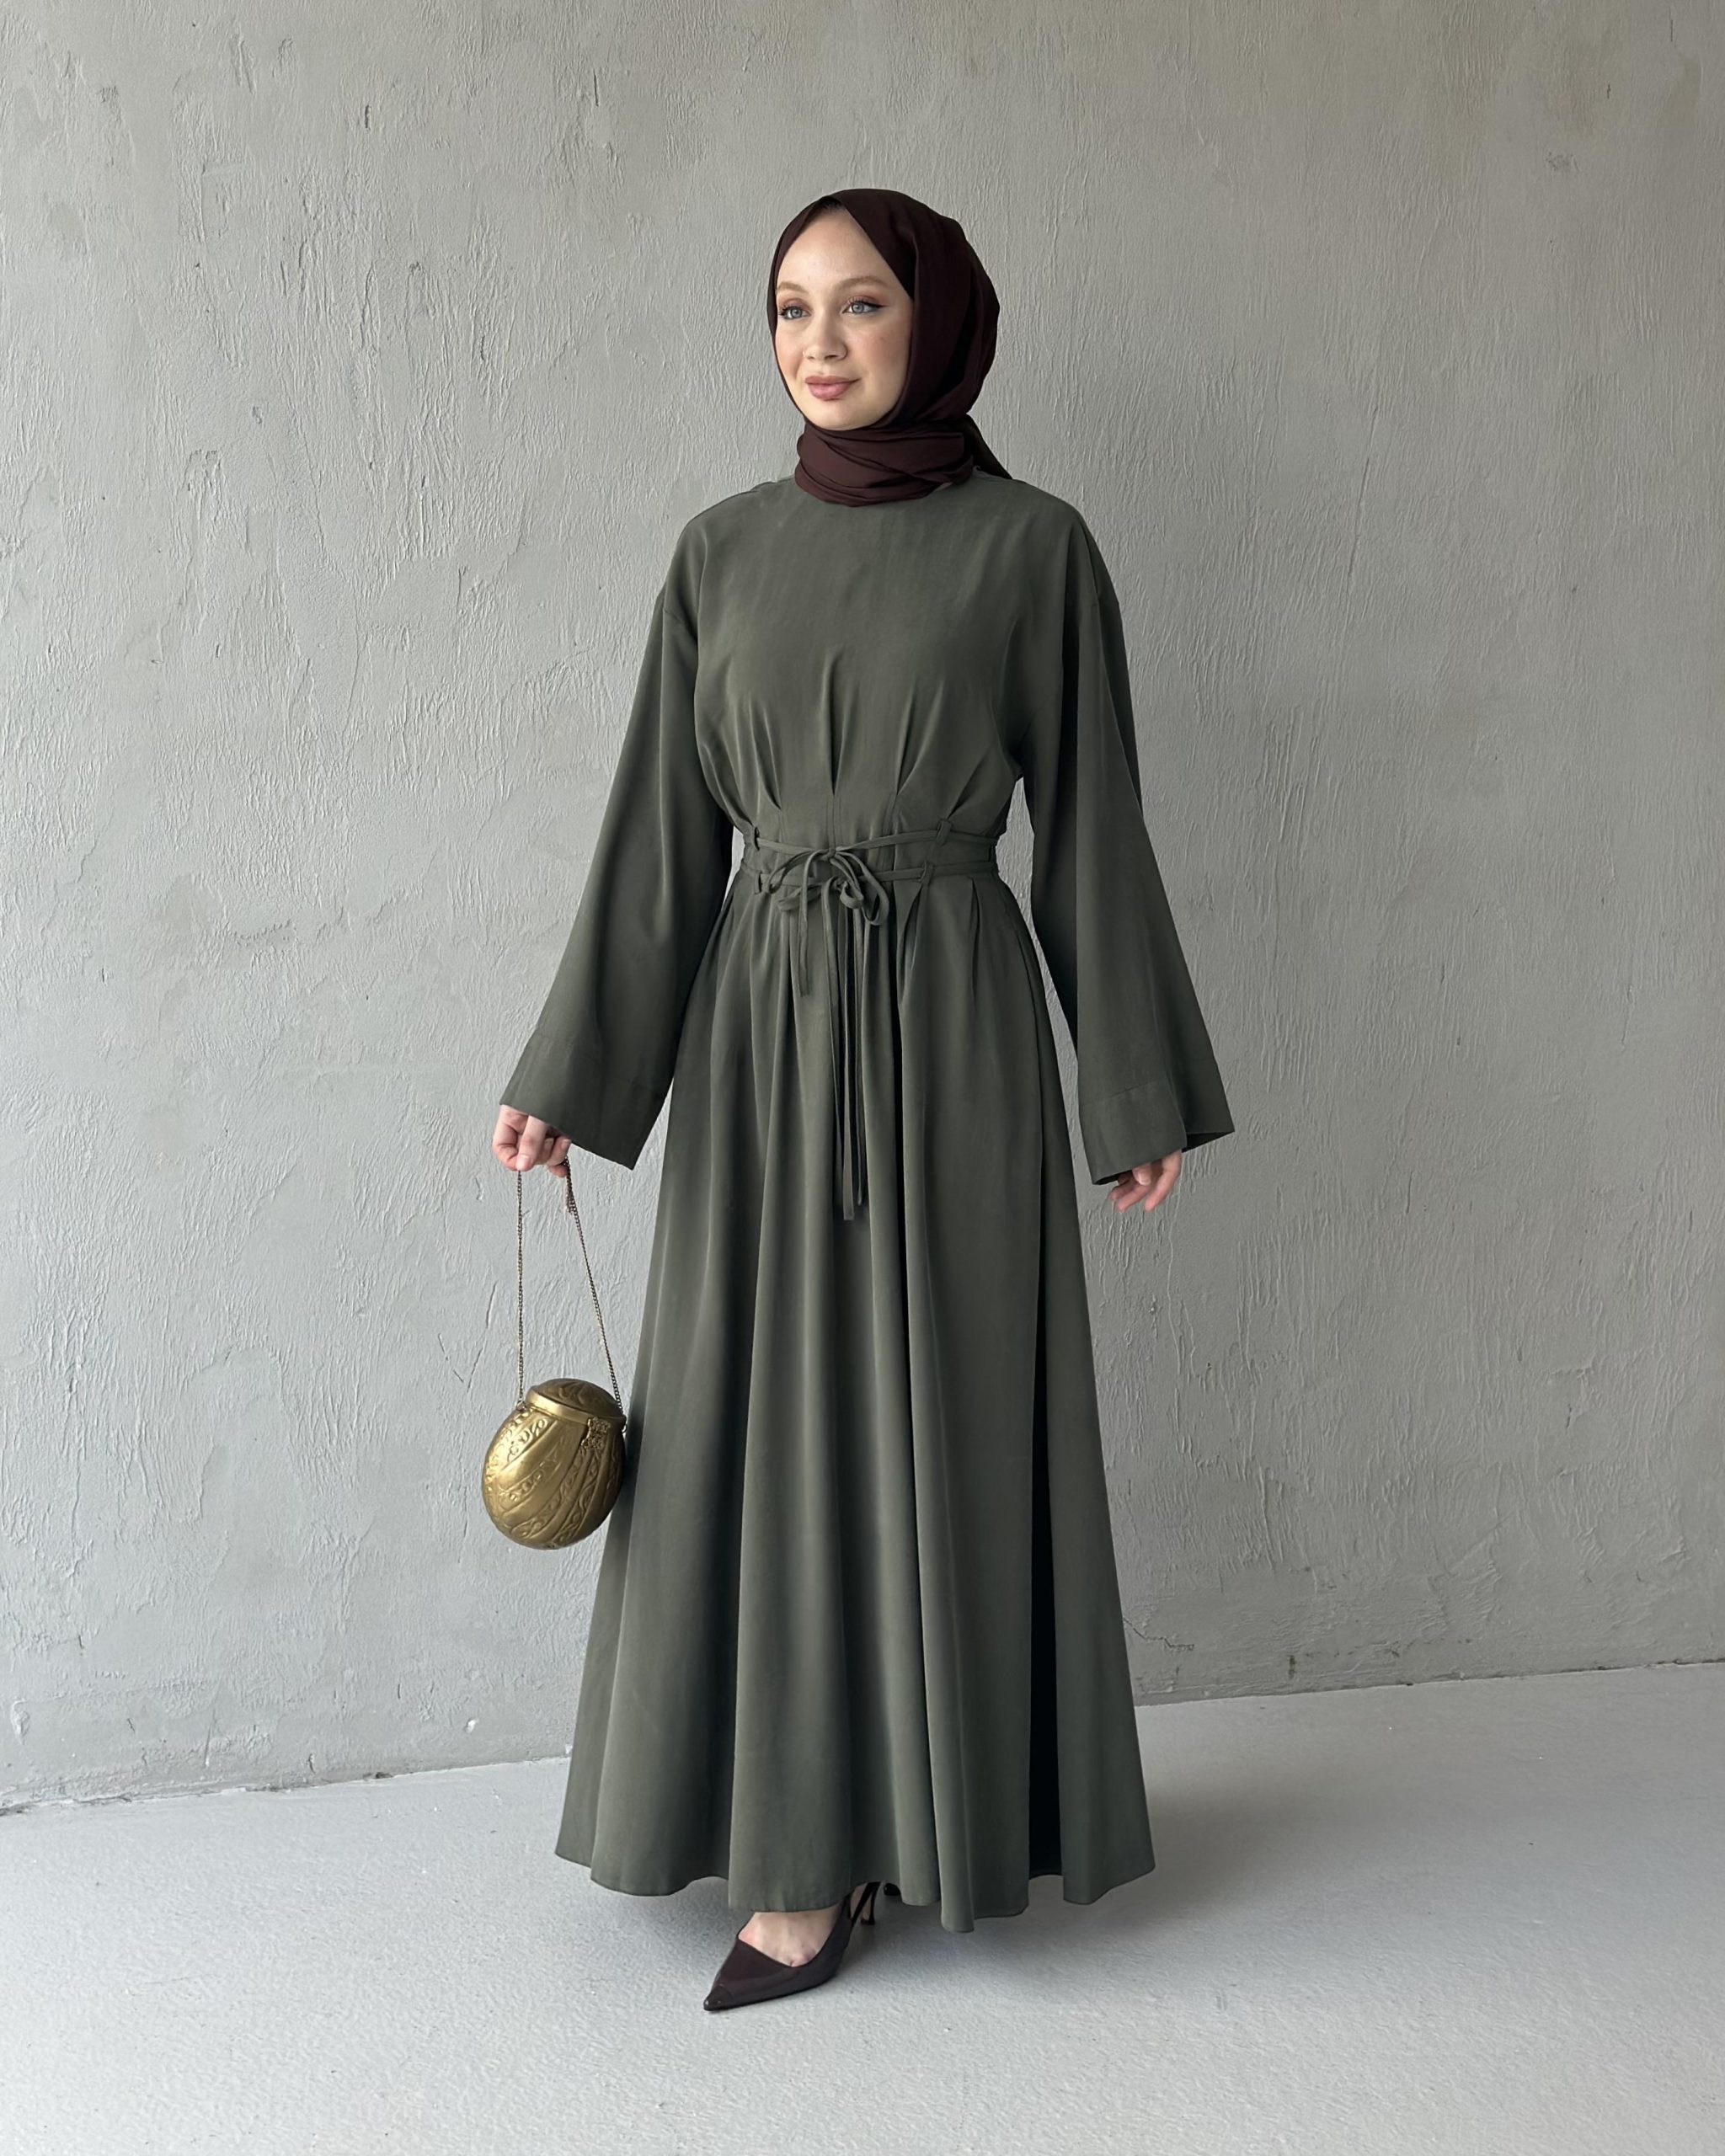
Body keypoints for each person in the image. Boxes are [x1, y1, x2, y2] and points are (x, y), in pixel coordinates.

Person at [490, 185, 1235, 2012]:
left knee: (952, 1413)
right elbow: (661, 840)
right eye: (788, 309)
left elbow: (1094, 827)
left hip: (957, 1024)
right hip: (761, 1034)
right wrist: (576, 1074)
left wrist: (1130, 1080)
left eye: (861, 304)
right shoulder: (719, 553)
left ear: (939, 320)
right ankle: (796, 1853)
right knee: (754, 1432)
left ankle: (935, 1817)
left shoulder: (1034, 549)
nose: (818, 343)